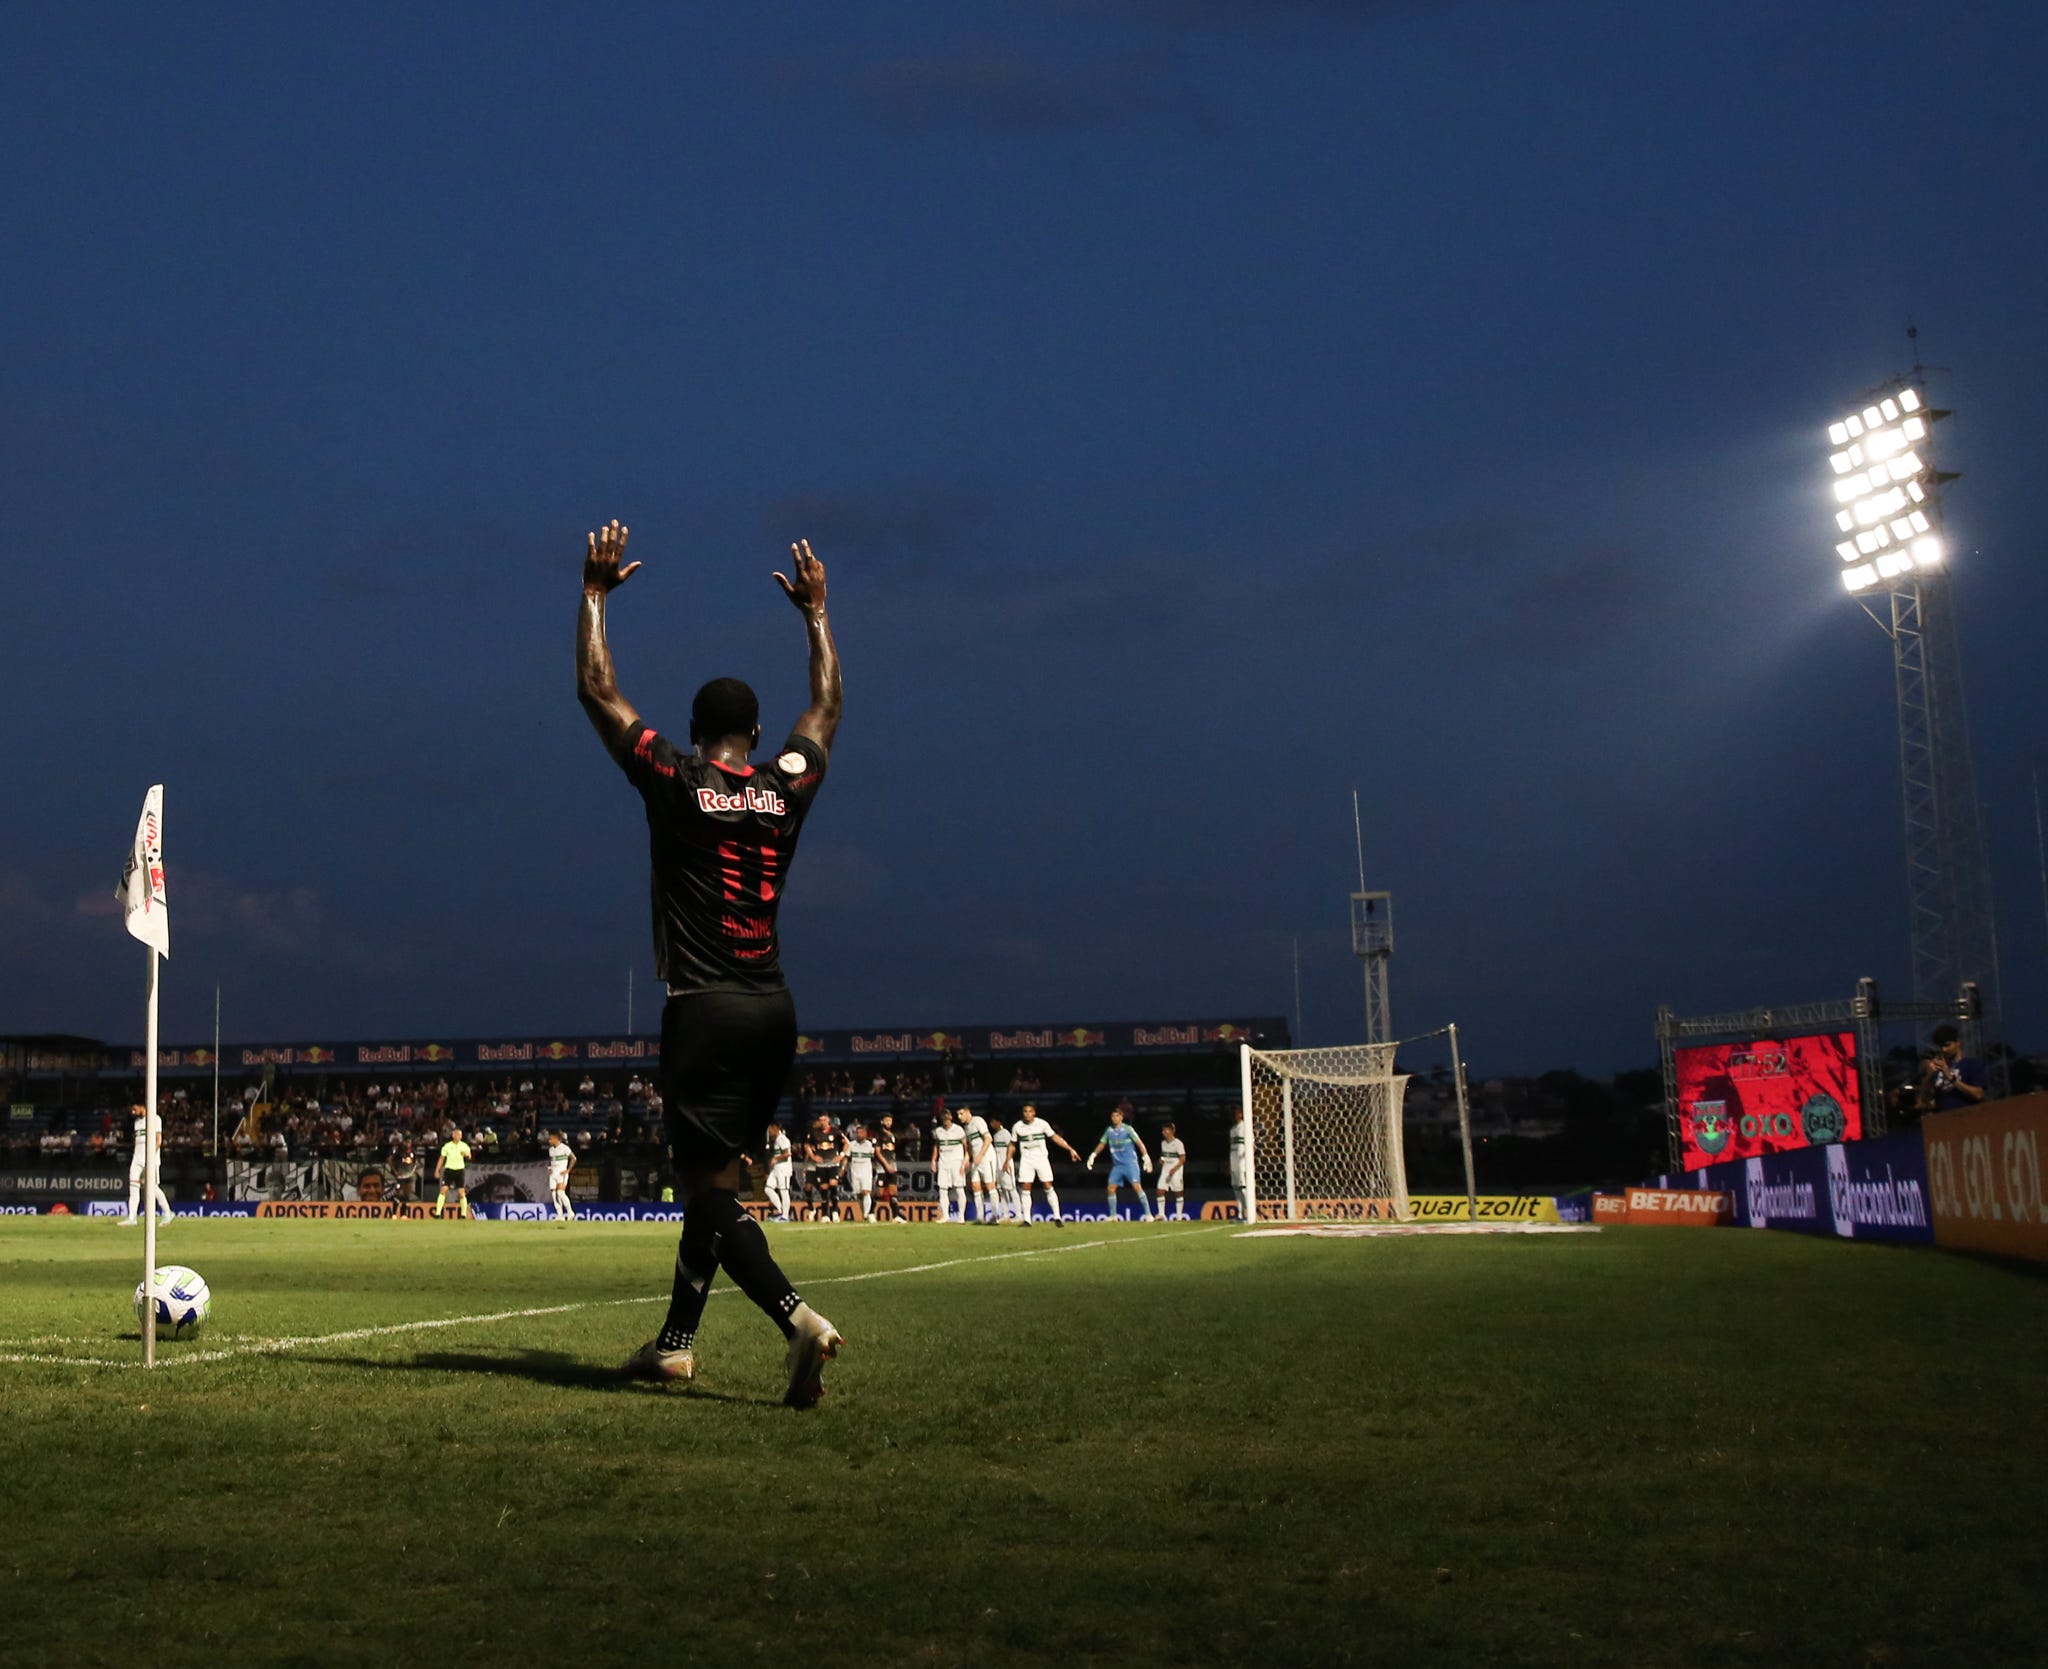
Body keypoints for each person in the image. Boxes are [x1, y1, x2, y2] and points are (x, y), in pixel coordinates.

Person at [579, 519, 843, 1404]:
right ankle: (674, 1344)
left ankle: (799, 1319)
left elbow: (596, 688)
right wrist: (816, 614)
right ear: (756, 731)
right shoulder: (788, 782)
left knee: (704, 1193)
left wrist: (594, 594)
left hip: (703, 1007)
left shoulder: (677, 780)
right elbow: (828, 709)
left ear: (695, 733)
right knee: (720, 1184)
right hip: (775, 1007)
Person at [1011, 1103, 1081, 1225]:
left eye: (1030, 1111)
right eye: (1025, 1111)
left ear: (1034, 1113)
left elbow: (1055, 1137)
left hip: (1041, 1158)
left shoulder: (1042, 1124)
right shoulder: (1017, 1126)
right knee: (1025, 1187)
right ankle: (1027, 1220)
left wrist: (1070, 1149)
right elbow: (1012, 1145)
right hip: (1026, 1159)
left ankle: (1057, 1217)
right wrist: (1007, 1160)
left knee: (1047, 1185)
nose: (1027, 1114)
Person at [1087, 1102, 1154, 1222]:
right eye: (1113, 1116)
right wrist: (1093, 1155)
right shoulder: (1109, 1131)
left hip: (1130, 1164)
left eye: (1117, 1116)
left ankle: (1148, 1214)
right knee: (1111, 1188)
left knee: (1137, 1187)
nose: (1115, 1118)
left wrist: (1145, 1156)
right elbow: (1102, 1144)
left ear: (1121, 1117)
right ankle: (1113, 1216)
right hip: (1117, 1166)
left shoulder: (1128, 1129)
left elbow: (1139, 1143)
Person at [121, 1104, 172, 1226]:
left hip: (150, 1159)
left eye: (134, 1108)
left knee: (152, 1188)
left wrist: (150, 1156)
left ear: (142, 1106)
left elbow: (158, 1140)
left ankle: (167, 1212)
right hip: (137, 1158)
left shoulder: (155, 1119)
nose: (133, 1112)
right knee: (133, 1187)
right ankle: (132, 1217)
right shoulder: (137, 1122)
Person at [1919, 1024, 1989, 1113]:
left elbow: (1978, 1094)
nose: (1944, 1050)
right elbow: (1924, 1101)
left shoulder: (1971, 1064)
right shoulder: (1938, 1068)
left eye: (1947, 1045)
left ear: (1958, 1042)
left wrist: (1951, 1078)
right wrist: (1929, 1076)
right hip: (1944, 1120)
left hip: (1968, 1118)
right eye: (1941, 1046)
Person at [930, 1105, 969, 1223]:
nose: (946, 1121)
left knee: (959, 1188)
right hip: (943, 1162)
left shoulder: (959, 1130)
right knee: (942, 1189)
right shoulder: (938, 1131)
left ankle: (961, 1216)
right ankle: (945, 1216)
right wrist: (933, 1160)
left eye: (948, 1118)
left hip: (956, 1162)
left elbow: (966, 1147)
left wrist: (965, 1160)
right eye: (944, 1119)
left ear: (951, 1117)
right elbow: (937, 1146)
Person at [806, 1114, 844, 1223]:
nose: (822, 1122)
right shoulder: (814, 1133)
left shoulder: (835, 1131)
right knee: (823, 1188)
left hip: (832, 1164)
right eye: (820, 1120)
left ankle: (835, 1211)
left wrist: (841, 1155)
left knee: (833, 1184)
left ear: (828, 1120)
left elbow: (846, 1143)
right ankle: (825, 1214)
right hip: (820, 1165)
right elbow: (807, 1145)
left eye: (824, 1120)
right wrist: (813, 1156)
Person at [962, 1104, 997, 1223]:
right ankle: (980, 1217)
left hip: (986, 1157)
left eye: (961, 1113)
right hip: (976, 1160)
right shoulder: (966, 1128)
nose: (959, 1116)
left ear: (967, 1112)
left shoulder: (978, 1121)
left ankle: (995, 1216)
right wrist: (966, 1161)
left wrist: (981, 1155)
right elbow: (970, 1148)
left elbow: (988, 1138)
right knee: (975, 1186)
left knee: (990, 1185)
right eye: (958, 1114)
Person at [432, 1126, 473, 1219]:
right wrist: (437, 1170)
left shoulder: (464, 1146)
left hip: (460, 1170)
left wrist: (467, 1155)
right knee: (444, 1190)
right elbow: (441, 1158)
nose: (459, 1136)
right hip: (449, 1170)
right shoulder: (447, 1146)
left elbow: (469, 1156)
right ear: (453, 1135)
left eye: (460, 1135)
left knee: (461, 1192)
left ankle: (463, 1214)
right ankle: (438, 1213)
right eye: (458, 1134)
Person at [841, 1121, 877, 1223]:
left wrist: (876, 1169)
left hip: (866, 1171)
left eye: (861, 1133)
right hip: (855, 1171)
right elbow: (846, 1158)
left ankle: (866, 1213)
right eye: (858, 1133)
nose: (859, 1135)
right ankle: (864, 1213)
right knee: (859, 1194)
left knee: (866, 1192)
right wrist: (843, 1169)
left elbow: (875, 1158)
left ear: (865, 1134)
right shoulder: (852, 1145)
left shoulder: (870, 1145)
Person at [987, 1113, 1021, 1222]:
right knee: (1001, 1190)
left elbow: (1012, 1148)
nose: (991, 1124)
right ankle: (1006, 1214)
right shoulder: (995, 1135)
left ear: (998, 1122)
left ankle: (1019, 1214)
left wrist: (1007, 1162)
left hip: (1006, 1165)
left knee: (1011, 1189)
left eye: (993, 1122)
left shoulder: (1005, 1133)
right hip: (998, 1167)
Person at [759, 1120, 795, 1222]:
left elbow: (787, 1154)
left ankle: (785, 1216)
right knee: (768, 1189)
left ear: (775, 1127)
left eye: (770, 1129)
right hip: (776, 1169)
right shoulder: (775, 1140)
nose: (769, 1132)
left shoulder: (782, 1138)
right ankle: (780, 1210)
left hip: (783, 1169)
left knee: (784, 1191)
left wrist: (776, 1158)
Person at [1156, 1121, 1188, 1221]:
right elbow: (1164, 1156)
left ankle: (1179, 1216)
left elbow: (1183, 1159)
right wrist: (1161, 1160)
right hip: (1165, 1170)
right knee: (1160, 1190)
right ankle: (1161, 1214)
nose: (1164, 1132)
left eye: (1166, 1130)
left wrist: (1174, 1169)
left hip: (1176, 1170)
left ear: (1172, 1131)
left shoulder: (1178, 1143)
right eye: (1163, 1130)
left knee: (1178, 1192)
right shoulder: (1163, 1143)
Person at [1228, 1104, 1254, 1220]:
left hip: (1243, 1160)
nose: (1236, 1115)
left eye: (1238, 1112)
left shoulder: (1246, 1127)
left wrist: (1247, 1158)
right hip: (1234, 1159)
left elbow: (1251, 1144)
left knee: (1244, 1186)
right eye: (1235, 1113)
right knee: (1236, 1187)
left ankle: (1250, 1212)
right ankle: (1240, 1213)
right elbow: (1231, 1147)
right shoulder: (1233, 1129)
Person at [546, 1129, 578, 1222]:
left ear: (556, 1139)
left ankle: (570, 1212)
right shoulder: (551, 1150)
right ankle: (560, 1215)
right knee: (554, 1194)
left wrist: (568, 1170)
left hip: (561, 1173)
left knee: (560, 1193)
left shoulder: (565, 1148)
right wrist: (549, 1167)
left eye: (551, 1139)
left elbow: (573, 1158)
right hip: (553, 1174)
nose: (549, 1141)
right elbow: (551, 1160)